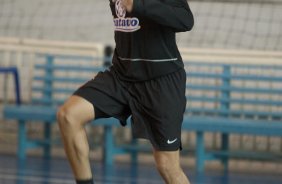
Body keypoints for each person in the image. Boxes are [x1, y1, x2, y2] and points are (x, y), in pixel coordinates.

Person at [57, 0, 194, 183]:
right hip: (122, 75)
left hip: (160, 82)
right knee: (68, 116)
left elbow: (186, 20)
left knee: (167, 166)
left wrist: (138, 5)